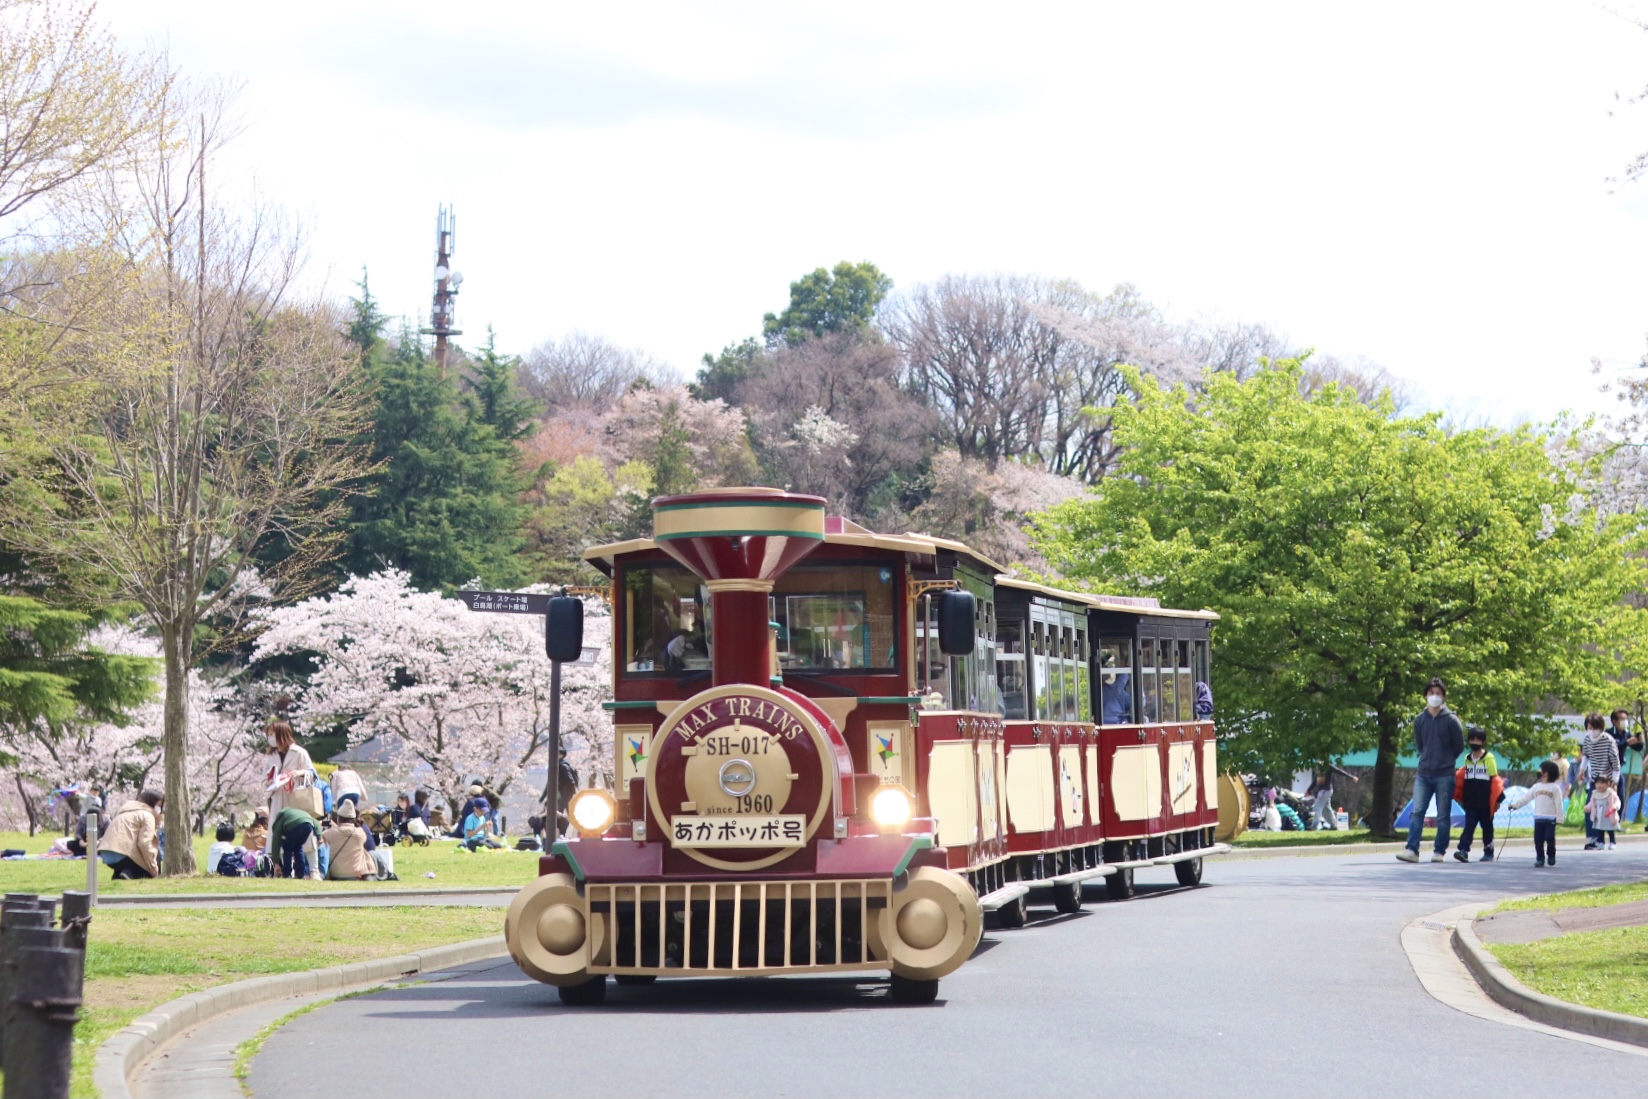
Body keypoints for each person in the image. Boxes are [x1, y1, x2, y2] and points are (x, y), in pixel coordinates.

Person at [1396, 677, 1465, 863]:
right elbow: (1420, 745)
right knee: (1417, 812)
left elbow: (1459, 745)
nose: (1434, 696)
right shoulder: (1420, 720)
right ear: (1425, 695)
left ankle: (1439, 851)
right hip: (1424, 774)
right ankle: (1412, 850)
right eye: (1431, 693)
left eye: (1438, 693)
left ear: (1443, 697)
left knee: (1443, 816)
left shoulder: (1451, 720)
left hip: (1445, 774)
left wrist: (1446, 760)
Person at [264, 705, 321, 873]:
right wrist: (270, 781)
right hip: (278, 799)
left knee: (305, 837)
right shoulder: (270, 757)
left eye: (273, 735)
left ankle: (314, 870)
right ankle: (280, 868)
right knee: (278, 835)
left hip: (296, 799)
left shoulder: (299, 753)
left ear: (282, 735)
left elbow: (313, 774)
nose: (270, 738)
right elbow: (263, 781)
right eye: (268, 735)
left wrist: (300, 773)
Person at [1451, 726, 1503, 862]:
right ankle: (1463, 850)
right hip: (1470, 800)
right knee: (1469, 826)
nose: (1475, 742)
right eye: (1472, 739)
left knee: (1487, 827)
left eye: (1478, 740)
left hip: (1485, 801)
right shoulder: (1468, 758)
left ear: (1483, 741)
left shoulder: (1489, 758)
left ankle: (1488, 850)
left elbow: (1495, 780)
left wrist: (1497, 800)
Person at [1508, 760, 1566, 867]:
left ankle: (1551, 854)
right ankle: (1540, 858)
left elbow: (1559, 804)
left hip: (1550, 819)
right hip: (1538, 818)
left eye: (1541, 769)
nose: (1539, 771)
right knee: (1538, 840)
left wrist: (1559, 818)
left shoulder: (1555, 788)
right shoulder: (1536, 786)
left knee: (1549, 838)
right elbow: (1526, 798)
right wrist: (1515, 805)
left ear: (1547, 772)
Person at [1577, 712, 1621, 850]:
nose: (1592, 730)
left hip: (1607, 780)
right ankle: (1595, 839)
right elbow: (1586, 756)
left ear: (1601, 727)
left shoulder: (1608, 740)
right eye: (1589, 727)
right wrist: (1582, 770)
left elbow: (1616, 764)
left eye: (1594, 727)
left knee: (1607, 810)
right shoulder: (1587, 739)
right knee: (1593, 808)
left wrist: (1614, 783)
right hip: (1594, 779)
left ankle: (1611, 839)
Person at [100, 790, 163, 879]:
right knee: (154, 855)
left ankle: (119, 875)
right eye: (158, 806)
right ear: (151, 803)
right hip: (122, 854)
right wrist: (153, 866)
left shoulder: (125, 811)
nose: (159, 809)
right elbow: (144, 843)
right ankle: (129, 873)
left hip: (107, 854)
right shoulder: (147, 815)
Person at [322, 802, 379, 880]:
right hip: (356, 874)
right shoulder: (360, 833)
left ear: (338, 818)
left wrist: (334, 827)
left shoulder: (330, 833)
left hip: (335, 873)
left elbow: (322, 838)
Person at [269, 804, 321, 879]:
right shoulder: (297, 813)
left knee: (287, 848)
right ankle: (300, 874)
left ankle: (287, 874)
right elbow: (315, 821)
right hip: (309, 825)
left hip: (294, 825)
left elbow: (275, 842)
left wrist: (276, 863)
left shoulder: (279, 821)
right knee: (298, 847)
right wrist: (319, 835)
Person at [1307, 763, 1358, 830]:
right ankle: (1334, 825)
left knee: (1317, 806)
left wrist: (1351, 777)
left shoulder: (1328, 766)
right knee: (1327, 809)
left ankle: (1314, 826)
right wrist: (1308, 790)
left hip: (1325, 791)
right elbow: (1315, 781)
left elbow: (1339, 771)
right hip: (1323, 791)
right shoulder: (1319, 767)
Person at [1586, 776, 1622, 850]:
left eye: (1602, 783)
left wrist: (1615, 807)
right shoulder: (1594, 793)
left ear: (1608, 784)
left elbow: (1617, 801)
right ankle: (1601, 842)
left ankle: (1612, 842)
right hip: (1599, 815)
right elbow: (1592, 803)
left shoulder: (1611, 793)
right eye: (1598, 783)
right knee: (1600, 830)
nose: (1600, 785)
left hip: (1608, 815)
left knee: (1610, 829)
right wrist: (1588, 807)